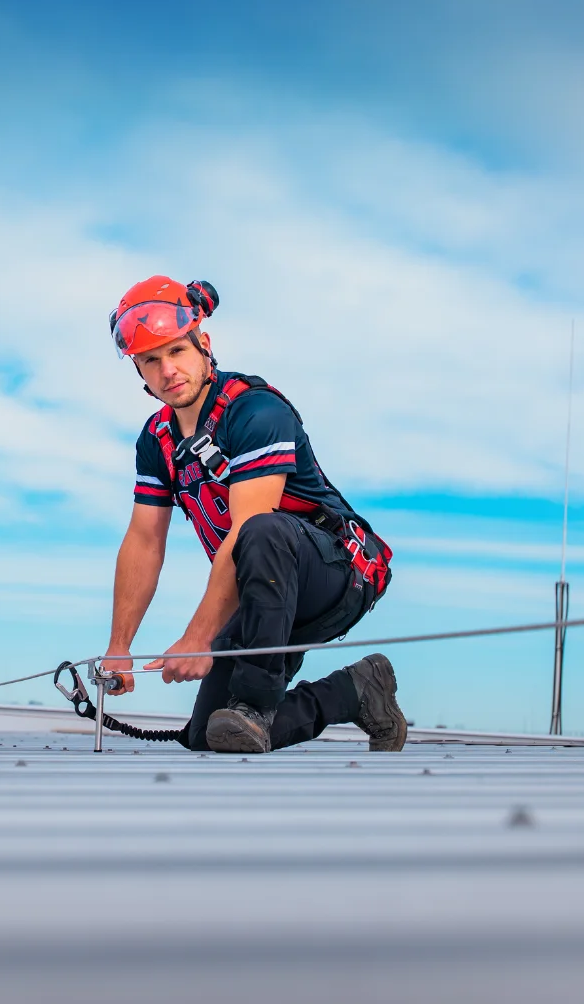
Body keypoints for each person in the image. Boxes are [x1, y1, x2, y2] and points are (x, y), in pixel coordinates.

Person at [98, 275, 405, 755]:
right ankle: (357, 691)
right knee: (210, 736)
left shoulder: (255, 411)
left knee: (261, 531)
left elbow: (248, 527)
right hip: (264, 593)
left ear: (204, 345)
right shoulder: (157, 441)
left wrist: (199, 637)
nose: (167, 370)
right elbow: (144, 540)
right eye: (151, 360)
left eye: (177, 351)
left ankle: (254, 705)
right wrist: (119, 647)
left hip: (337, 573)